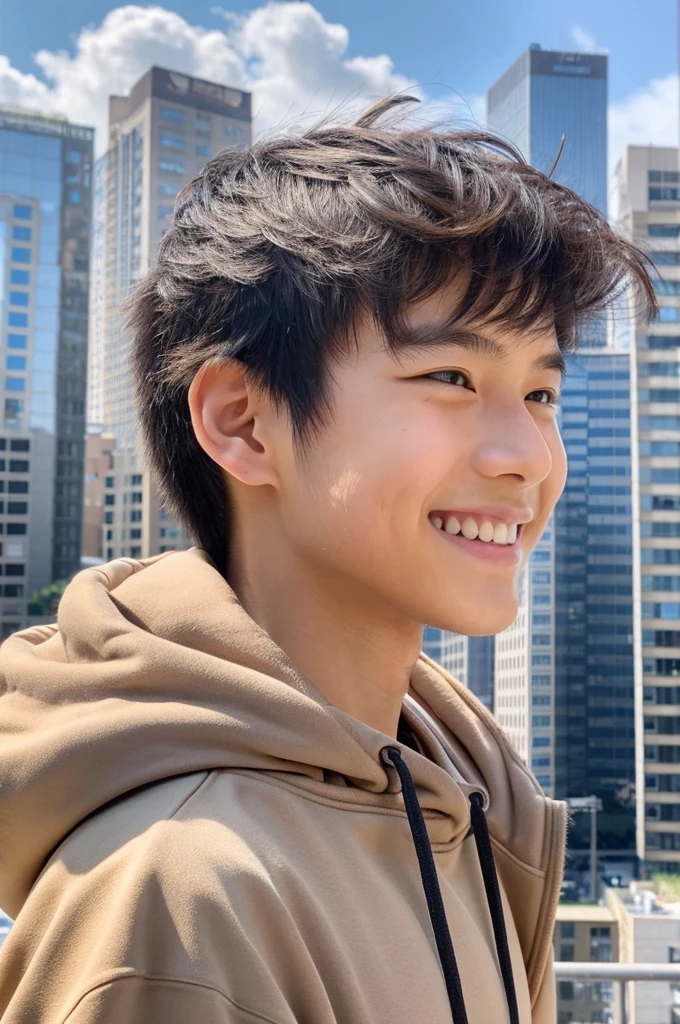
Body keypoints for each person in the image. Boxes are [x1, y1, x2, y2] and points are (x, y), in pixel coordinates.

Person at [0, 95, 654, 1023]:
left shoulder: (467, 808)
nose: (528, 456)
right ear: (243, 422)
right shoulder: (182, 903)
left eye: (541, 392)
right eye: (451, 378)